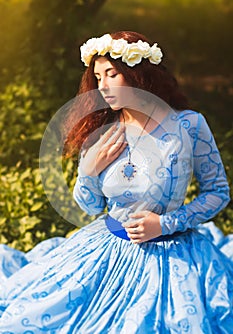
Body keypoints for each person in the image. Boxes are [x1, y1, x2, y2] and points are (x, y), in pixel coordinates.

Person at [0, 31, 232, 333]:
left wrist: (167, 224)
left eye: (112, 74)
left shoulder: (189, 125)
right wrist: (89, 170)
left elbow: (218, 191)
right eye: (97, 77)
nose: (103, 86)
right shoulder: (103, 131)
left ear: (139, 75)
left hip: (172, 253)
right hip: (107, 246)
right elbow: (90, 205)